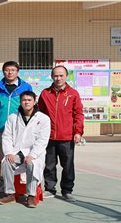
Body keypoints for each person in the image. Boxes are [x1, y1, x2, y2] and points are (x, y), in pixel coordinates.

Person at [37, 64, 84, 200]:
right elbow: (40, 114)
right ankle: (50, 189)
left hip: (67, 136)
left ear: (66, 76)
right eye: (56, 76)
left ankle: (67, 190)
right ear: (52, 76)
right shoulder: (45, 93)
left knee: (68, 165)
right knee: (49, 165)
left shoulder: (73, 94)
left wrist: (78, 132)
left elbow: (78, 114)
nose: (58, 78)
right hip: (49, 136)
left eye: (61, 75)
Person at [0, 91, 50, 208]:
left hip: (34, 153)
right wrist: (9, 152)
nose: (26, 102)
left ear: (34, 102)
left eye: (29, 100)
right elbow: (7, 136)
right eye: (24, 100)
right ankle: (10, 194)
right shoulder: (13, 117)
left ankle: (31, 196)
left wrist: (33, 155)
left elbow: (43, 140)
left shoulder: (43, 119)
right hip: (17, 151)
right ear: (20, 102)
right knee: (6, 162)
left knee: (32, 164)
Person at [0, 60, 33, 186]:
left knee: (21, 156)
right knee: (4, 157)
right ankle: (4, 183)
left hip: (20, 128)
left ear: (17, 72)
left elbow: (30, 106)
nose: (10, 72)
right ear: (3, 72)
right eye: (7, 70)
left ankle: (22, 183)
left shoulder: (26, 87)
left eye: (13, 70)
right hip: (2, 127)